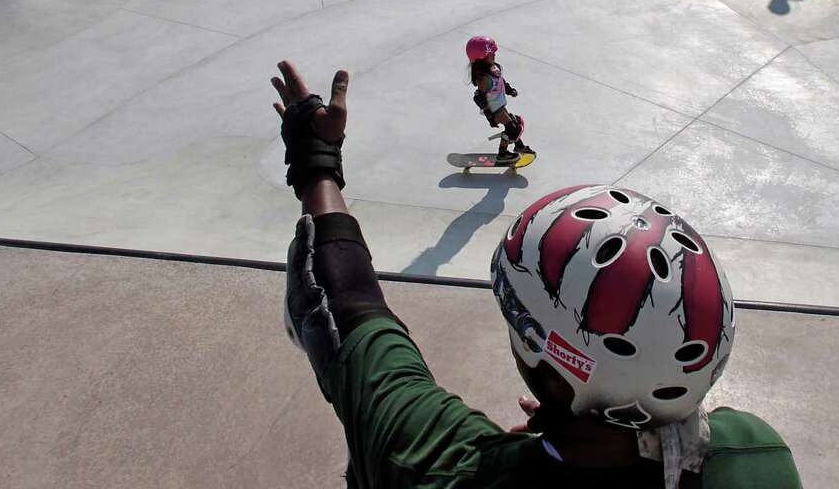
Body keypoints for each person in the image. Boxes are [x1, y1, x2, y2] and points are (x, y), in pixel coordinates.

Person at [271, 60, 801, 488]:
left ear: (550, 371)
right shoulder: (756, 453)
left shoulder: (439, 467)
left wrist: (316, 160)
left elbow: (343, 311)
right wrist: (586, 433)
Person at [466, 36, 534, 164]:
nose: (494, 54)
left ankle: (518, 146)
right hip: (494, 109)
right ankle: (502, 154)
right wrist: (489, 115)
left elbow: (501, 81)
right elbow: (478, 96)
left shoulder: (494, 68)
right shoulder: (484, 78)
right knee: (512, 128)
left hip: (500, 105)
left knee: (516, 123)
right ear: (481, 58)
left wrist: (509, 90)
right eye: (491, 53)